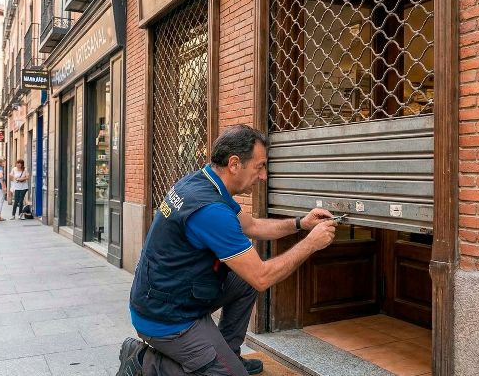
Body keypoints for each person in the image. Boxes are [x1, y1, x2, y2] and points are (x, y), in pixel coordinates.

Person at [116, 125, 339, 376]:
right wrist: (311, 243)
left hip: (171, 295)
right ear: (234, 164)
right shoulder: (210, 210)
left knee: (244, 283)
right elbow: (262, 277)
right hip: (167, 318)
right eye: (260, 166)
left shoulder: (201, 182)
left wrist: (301, 224)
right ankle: (144, 362)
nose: (264, 176)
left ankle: (227, 355)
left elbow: (252, 226)